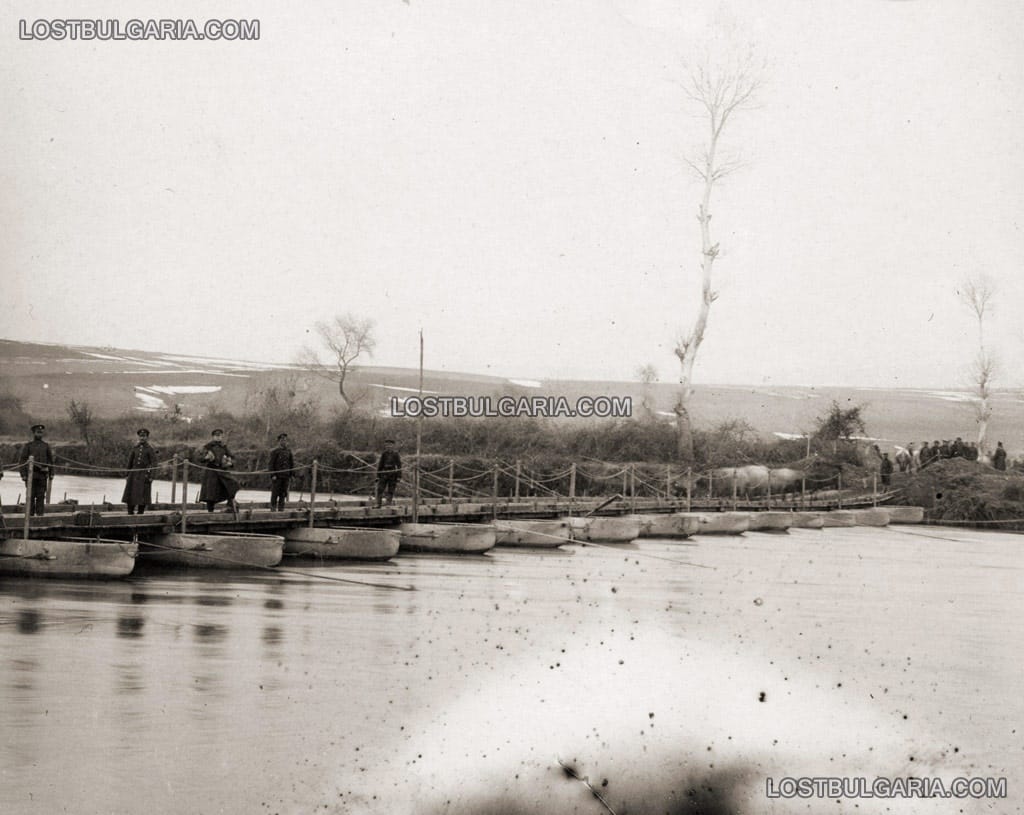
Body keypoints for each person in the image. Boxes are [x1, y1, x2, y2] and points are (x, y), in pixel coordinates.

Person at [198, 429, 240, 512]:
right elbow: (199, 458)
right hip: (211, 471)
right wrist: (206, 458)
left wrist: (230, 463)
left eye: (220, 436)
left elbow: (233, 457)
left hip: (222, 470)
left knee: (233, 484)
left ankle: (230, 505)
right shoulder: (207, 446)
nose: (219, 438)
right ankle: (210, 510)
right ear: (213, 437)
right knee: (210, 493)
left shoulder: (224, 447)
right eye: (217, 436)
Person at [19, 424, 54, 516]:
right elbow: (22, 461)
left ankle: (39, 515)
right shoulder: (28, 446)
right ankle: (29, 515)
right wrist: (23, 475)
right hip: (31, 475)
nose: (40, 434)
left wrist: (51, 473)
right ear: (34, 433)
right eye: (38, 432)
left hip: (42, 476)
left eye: (41, 433)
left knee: (41, 496)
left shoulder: (46, 446)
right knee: (30, 496)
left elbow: (50, 460)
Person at [122, 428, 157, 514]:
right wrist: (127, 474)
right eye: (140, 436)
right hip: (133, 474)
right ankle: (130, 511)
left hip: (144, 474)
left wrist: (151, 476)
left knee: (143, 494)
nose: (142, 438)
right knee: (131, 492)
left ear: (147, 437)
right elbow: (130, 461)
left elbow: (154, 463)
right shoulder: (135, 448)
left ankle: (140, 513)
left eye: (144, 436)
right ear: (138, 437)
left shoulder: (150, 449)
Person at [268, 433, 294, 511]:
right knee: (275, 492)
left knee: (283, 493)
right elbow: (271, 464)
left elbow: (291, 464)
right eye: (282, 440)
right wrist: (273, 475)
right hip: (277, 476)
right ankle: (273, 507)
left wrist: (292, 474)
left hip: (286, 475)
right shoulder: (274, 451)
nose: (284, 442)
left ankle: (281, 508)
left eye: (285, 440)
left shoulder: (289, 451)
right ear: (279, 441)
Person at [375, 439, 402, 508]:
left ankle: (388, 504)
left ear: (393, 446)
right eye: (387, 445)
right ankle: (378, 504)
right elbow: (380, 464)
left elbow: (399, 466)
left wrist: (399, 477)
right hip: (384, 473)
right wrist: (378, 475)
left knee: (391, 490)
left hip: (393, 474)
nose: (388, 446)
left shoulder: (396, 454)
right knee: (380, 489)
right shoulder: (384, 454)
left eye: (390, 445)